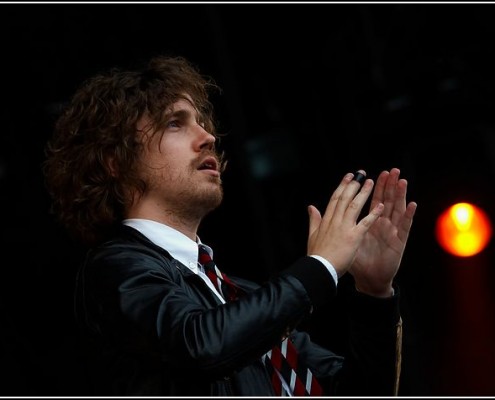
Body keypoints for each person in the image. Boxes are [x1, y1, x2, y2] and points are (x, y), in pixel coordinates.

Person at [42, 54, 417, 396]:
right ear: (115, 160)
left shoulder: (237, 295)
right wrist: (319, 267)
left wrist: (373, 293)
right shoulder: (116, 269)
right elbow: (201, 345)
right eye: (175, 124)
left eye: (203, 124)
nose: (208, 138)